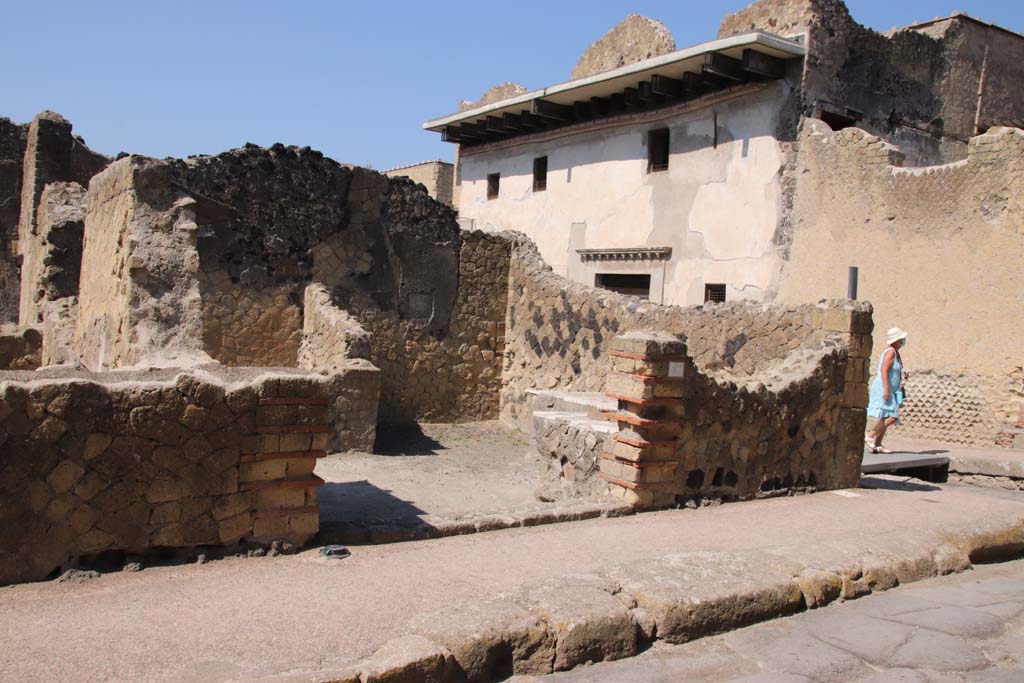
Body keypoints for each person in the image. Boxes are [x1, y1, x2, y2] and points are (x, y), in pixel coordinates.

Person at [865, 327, 908, 454]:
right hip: (884, 389)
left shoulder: (896, 353)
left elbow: (894, 370)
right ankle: (870, 435)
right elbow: (884, 370)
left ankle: (878, 444)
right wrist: (887, 390)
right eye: (901, 339)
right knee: (893, 416)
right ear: (896, 340)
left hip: (892, 390)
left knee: (885, 415)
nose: (903, 341)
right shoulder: (890, 352)